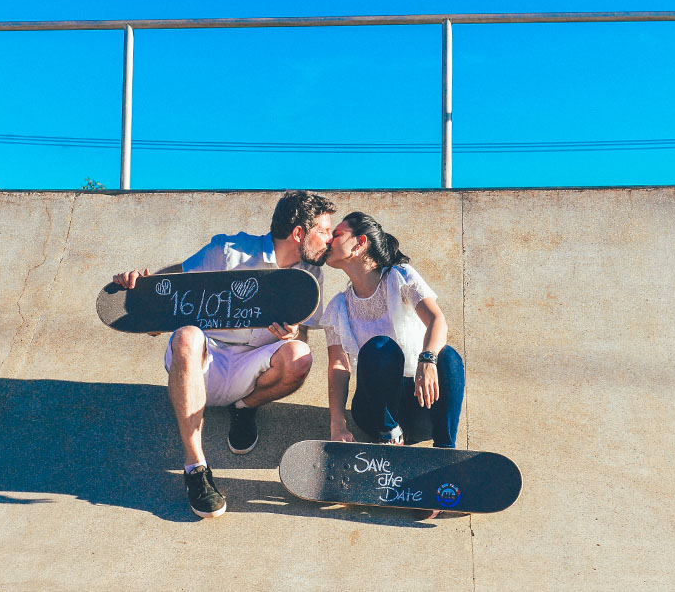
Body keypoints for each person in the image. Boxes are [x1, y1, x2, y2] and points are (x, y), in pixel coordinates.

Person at [113, 190, 335, 519]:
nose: (330, 239)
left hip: (252, 368)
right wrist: (141, 288)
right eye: (325, 231)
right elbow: (175, 281)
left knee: (300, 355)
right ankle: (195, 469)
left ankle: (245, 407)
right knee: (187, 336)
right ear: (299, 233)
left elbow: (299, 333)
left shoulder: (308, 274)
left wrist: (293, 333)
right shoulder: (229, 250)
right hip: (206, 362)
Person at [321, 211, 464, 452]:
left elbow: (437, 320)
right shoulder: (338, 306)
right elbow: (338, 366)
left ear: (360, 242)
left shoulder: (400, 275)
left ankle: (445, 450)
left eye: (336, 234)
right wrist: (337, 424)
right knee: (379, 347)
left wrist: (427, 359)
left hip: (422, 400)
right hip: (374, 411)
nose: (328, 241)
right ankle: (388, 434)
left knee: (449, 357)